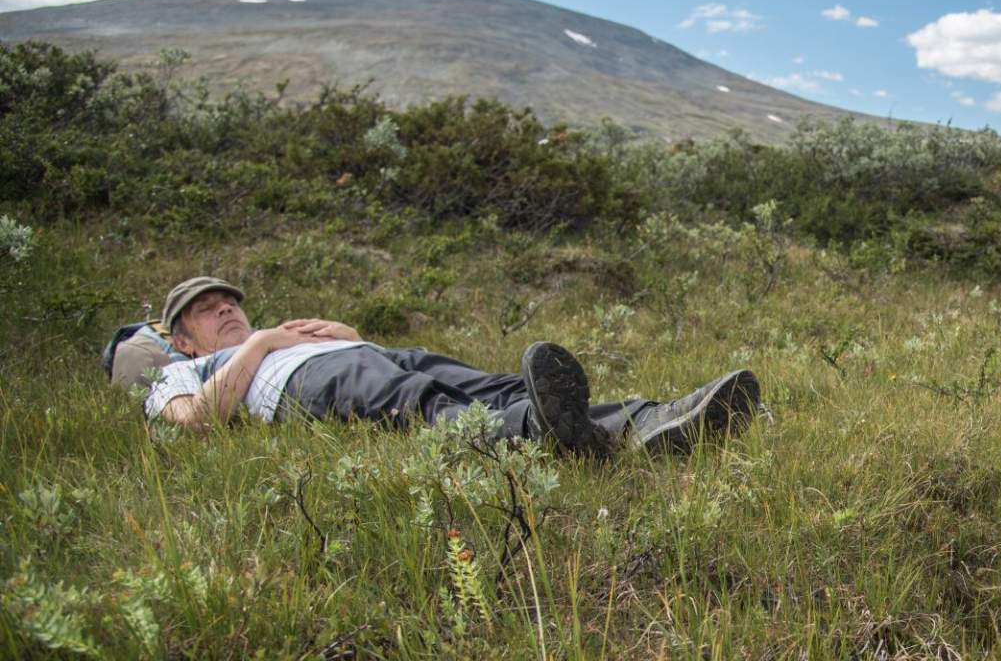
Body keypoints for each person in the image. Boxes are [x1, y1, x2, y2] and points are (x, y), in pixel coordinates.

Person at [142, 276, 759, 457]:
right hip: (306, 384)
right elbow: (197, 421)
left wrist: (350, 335)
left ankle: (654, 419)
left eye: (229, 302)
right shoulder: (186, 371)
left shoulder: (285, 332)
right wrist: (262, 346)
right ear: (184, 340)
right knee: (419, 404)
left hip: (365, 357)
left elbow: (359, 352)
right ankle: (556, 437)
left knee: (502, 385)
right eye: (204, 310)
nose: (223, 309)